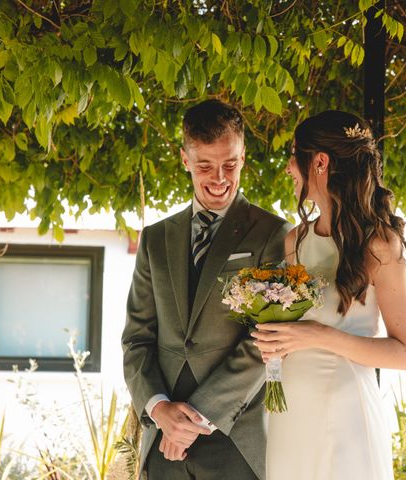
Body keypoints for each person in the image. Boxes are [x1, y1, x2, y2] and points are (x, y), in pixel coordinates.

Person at [122, 99, 290, 480]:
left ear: (244, 157)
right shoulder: (155, 239)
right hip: (163, 442)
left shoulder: (272, 235)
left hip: (235, 441)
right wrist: (160, 410)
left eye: (230, 164)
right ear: (185, 159)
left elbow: (266, 340)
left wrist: (198, 417)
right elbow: (136, 340)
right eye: (205, 166)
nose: (219, 178)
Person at [252, 110, 406, 480]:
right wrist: (274, 341)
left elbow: (405, 353)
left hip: (345, 415)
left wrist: (317, 336)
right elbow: (293, 327)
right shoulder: (296, 241)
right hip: (290, 415)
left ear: (320, 162)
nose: (289, 168)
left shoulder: (380, 246)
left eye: (295, 155)